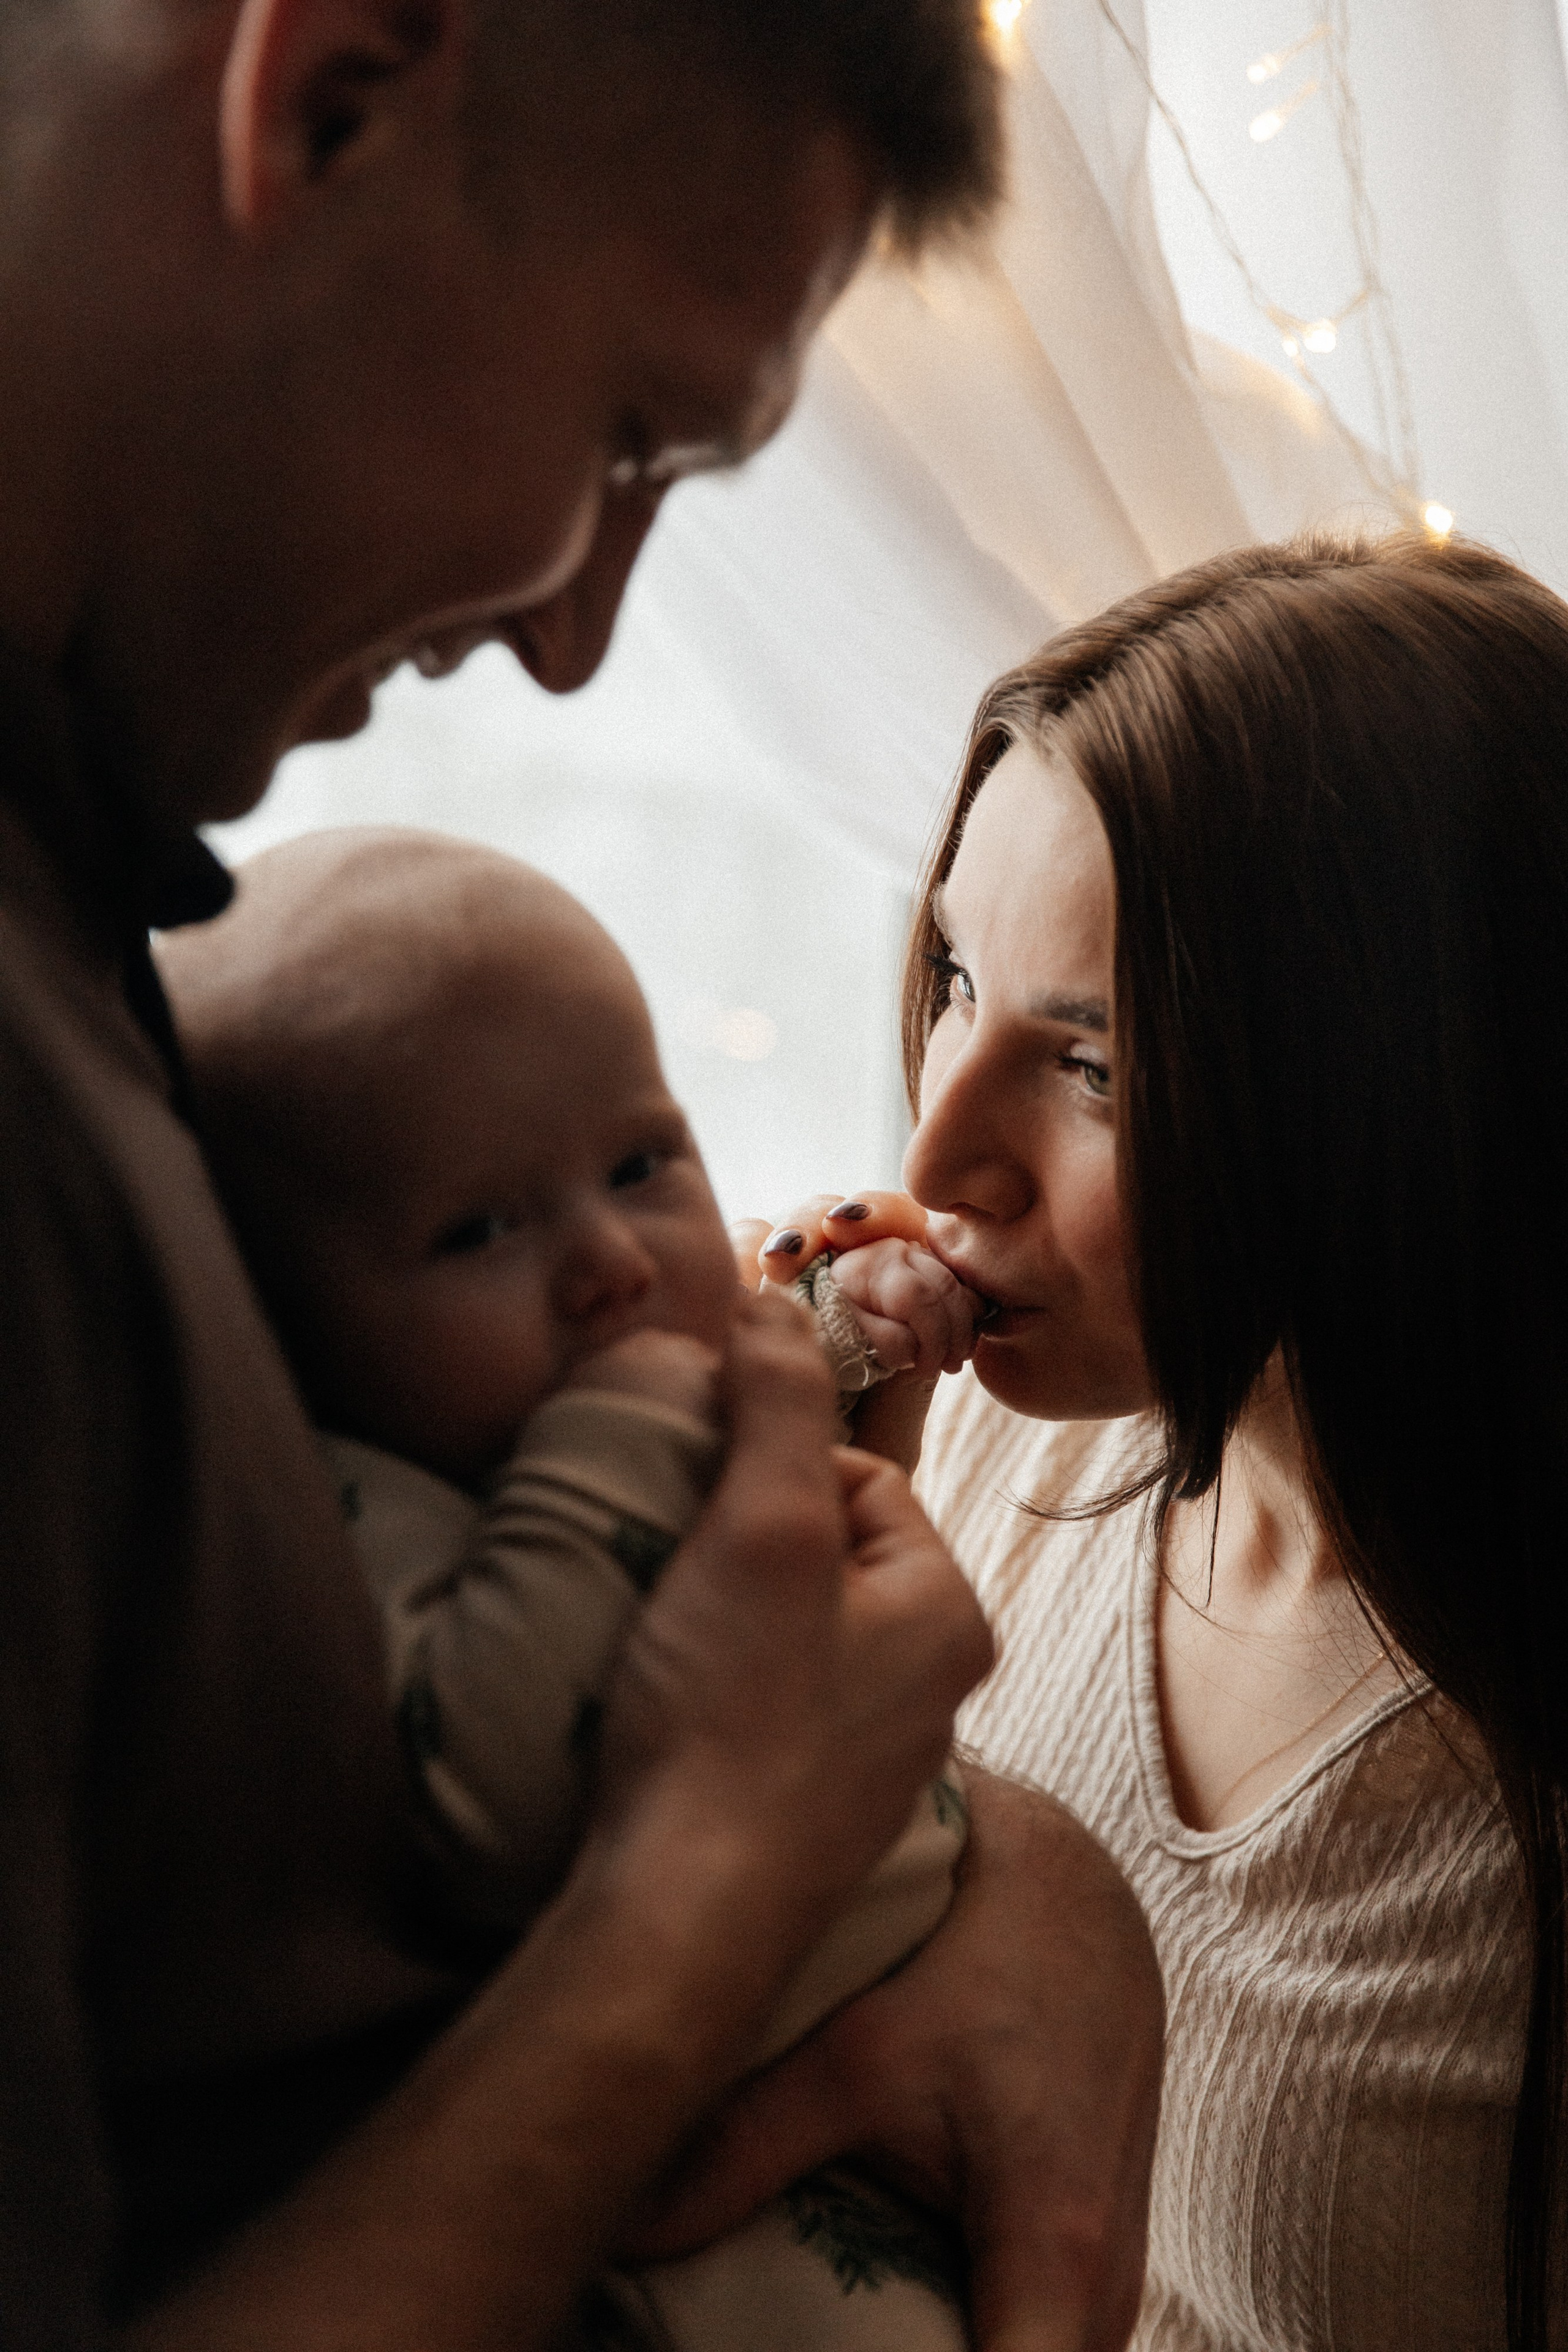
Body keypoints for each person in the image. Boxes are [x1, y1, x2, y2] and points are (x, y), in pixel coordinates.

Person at [0, 3, 1164, 2346]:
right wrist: (721, 1890)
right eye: (630, 437)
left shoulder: (79, 903)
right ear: (325, 94)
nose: (570, 635)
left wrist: (1012, 1895)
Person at [749, 532, 1568, 2351]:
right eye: (952, 977)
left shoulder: (1507, 1809)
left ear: (1403, 1107)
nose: (940, 1153)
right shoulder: (994, 1456)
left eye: (1099, 1069)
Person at [159, 823, 989, 2348]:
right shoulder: (362, 1518)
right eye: (477, 1227)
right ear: (279, 1322)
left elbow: (771, 1461)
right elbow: (488, 1791)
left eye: (641, 1160)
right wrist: (630, 1425)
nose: (608, 1257)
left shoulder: (558, 1410)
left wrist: (849, 1337)